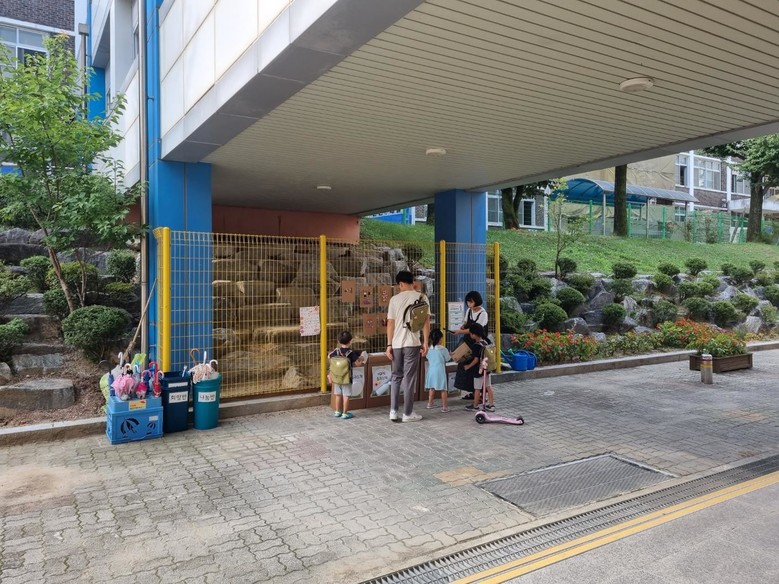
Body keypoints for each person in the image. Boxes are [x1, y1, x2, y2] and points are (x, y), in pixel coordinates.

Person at [386, 270, 430, 423]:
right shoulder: (422, 297)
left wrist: (389, 344)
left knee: (396, 377)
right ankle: (408, 413)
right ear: (413, 282)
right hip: (412, 343)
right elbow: (426, 322)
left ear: (401, 284)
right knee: (409, 378)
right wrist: (425, 342)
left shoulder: (394, 300)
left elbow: (390, 323)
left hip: (396, 344)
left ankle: (393, 411)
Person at [450, 291, 488, 400]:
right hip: (468, 342)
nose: (468, 304)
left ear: (476, 301)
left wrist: (460, 332)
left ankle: (481, 395)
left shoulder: (483, 314)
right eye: (467, 302)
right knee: (464, 364)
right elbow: (466, 323)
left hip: (478, 344)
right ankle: (473, 392)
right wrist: (462, 327)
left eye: (470, 302)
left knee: (477, 368)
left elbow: (474, 330)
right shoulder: (469, 311)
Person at [328, 330, 367, 420]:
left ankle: (337, 411)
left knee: (338, 395)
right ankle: (345, 413)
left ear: (338, 341)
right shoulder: (350, 353)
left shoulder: (336, 351)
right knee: (346, 395)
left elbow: (329, 356)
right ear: (351, 341)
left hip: (336, 377)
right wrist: (361, 358)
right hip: (346, 378)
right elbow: (358, 364)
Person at [463, 324, 495, 412]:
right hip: (487, 368)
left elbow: (476, 360)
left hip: (479, 370)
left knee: (477, 388)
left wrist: (468, 366)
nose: (470, 335)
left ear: (474, 334)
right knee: (488, 386)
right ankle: (491, 405)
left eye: (471, 333)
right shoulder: (487, 341)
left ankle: (475, 405)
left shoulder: (476, 346)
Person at [425, 329, 451, 412]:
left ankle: (430, 404)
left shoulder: (429, 348)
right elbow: (447, 359)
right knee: (443, 389)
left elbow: (427, 357)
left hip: (431, 370)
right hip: (440, 371)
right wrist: (450, 354)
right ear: (440, 338)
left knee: (432, 388)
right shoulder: (443, 349)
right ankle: (445, 407)